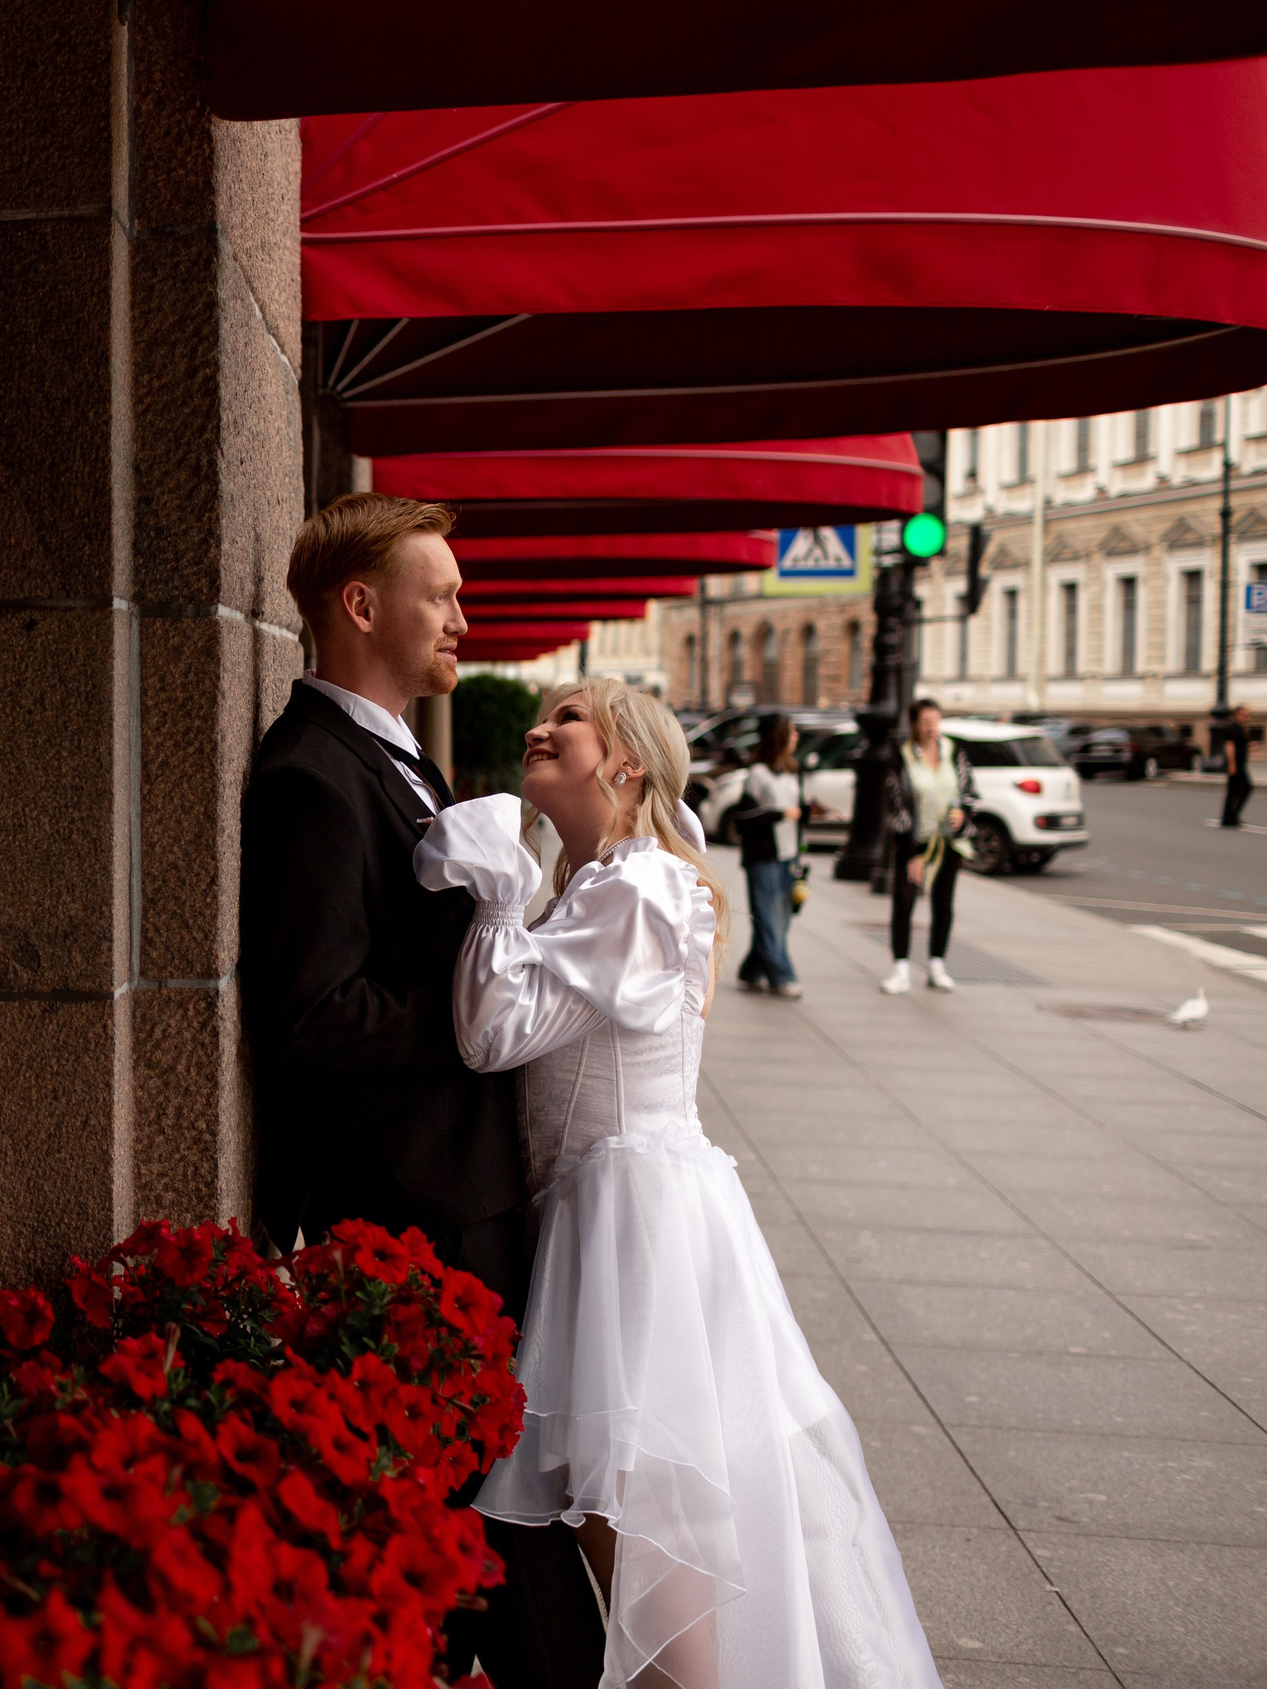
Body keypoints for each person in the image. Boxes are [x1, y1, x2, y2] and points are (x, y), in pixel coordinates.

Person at [416, 679, 944, 1689]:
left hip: (630, 1220)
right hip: (614, 1210)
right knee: (624, 1504)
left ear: (626, 765)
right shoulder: (603, 881)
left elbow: (491, 1034)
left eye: (570, 717)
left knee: (638, 1508)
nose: (541, 725)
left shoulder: (638, 885)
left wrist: (489, 892)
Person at [240, 492, 605, 1689]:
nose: (461, 615)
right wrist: (476, 1023)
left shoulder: (407, 760)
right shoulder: (309, 773)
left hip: (463, 1193)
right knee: (487, 1513)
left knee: (500, 1504)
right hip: (411, 1208)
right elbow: (307, 1013)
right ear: (360, 607)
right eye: (438, 594)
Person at [881, 699, 976, 995]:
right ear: (915, 725)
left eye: (936, 720)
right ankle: (900, 969)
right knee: (904, 902)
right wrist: (910, 852)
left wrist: (963, 814)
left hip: (949, 842)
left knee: (943, 903)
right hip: (916, 844)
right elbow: (895, 804)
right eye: (926, 722)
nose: (932, 727)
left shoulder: (954, 752)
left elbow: (969, 792)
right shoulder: (903, 757)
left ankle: (937, 965)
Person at [732, 712, 806, 999]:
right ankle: (782, 976)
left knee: (780, 919)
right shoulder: (757, 774)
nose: (796, 736)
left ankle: (751, 971)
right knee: (769, 918)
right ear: (778, 736)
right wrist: (778, 814)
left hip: (788, 854)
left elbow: (798, 808)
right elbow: (745, 818)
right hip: (763, 857)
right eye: (792, 731)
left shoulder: (791, 771)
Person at [1218, 703, 1253, 830]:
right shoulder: (1233, 727)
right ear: (1238, 714)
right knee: (1240, 789)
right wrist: (1232, 765)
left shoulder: (1240, 728)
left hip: (1240, 765)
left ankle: (1231, 816)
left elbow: (1239, 745)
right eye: (1245, 714)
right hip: (1236, 765)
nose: (1248, 717)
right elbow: (1229, 745)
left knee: (1236, 790)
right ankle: (1229, 816)